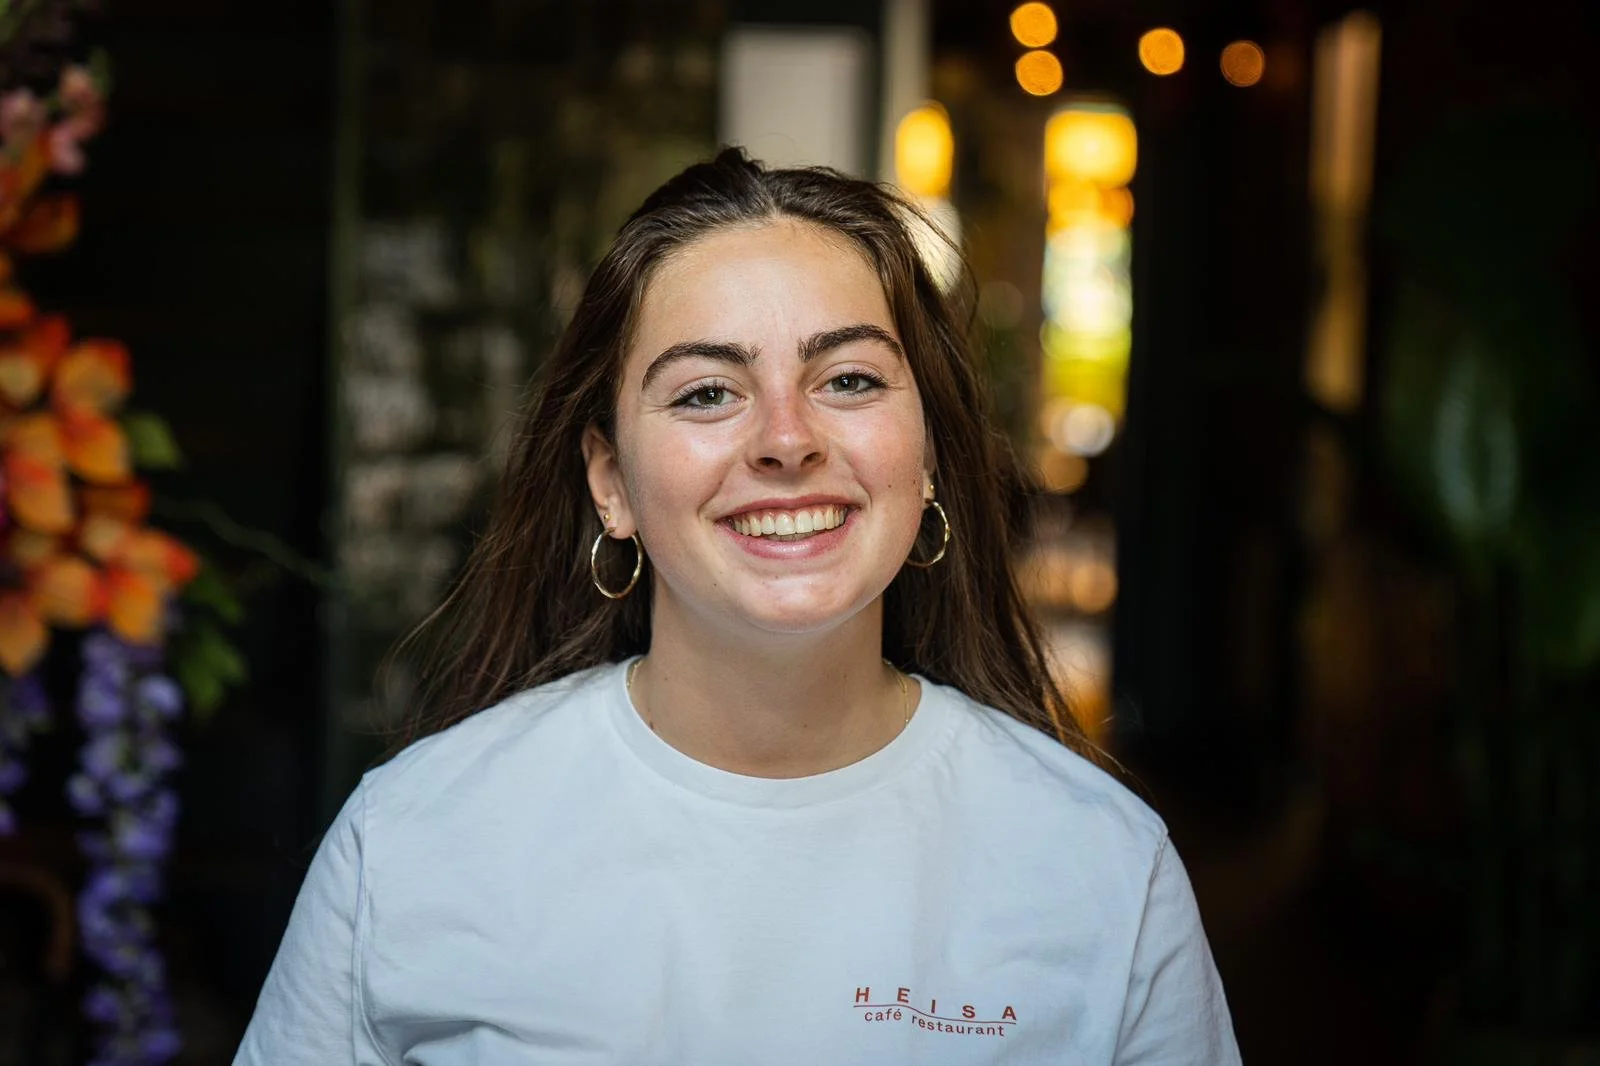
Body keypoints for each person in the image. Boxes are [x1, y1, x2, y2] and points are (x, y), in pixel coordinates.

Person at [234, 148, 1241, 1065]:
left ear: (927, 452)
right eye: (706, 392)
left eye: (847, 378)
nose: (785, 438)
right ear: (610, 482)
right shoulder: (412, 841)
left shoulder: (1099, 867)